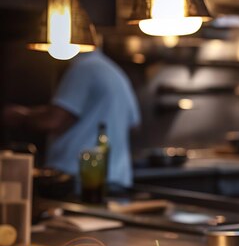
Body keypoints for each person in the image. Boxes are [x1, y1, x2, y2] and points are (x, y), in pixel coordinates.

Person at [3, 45, 141, 189]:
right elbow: (134, 125)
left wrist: (20, 116)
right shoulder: (115, 72)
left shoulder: (84, 69)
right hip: (117, 178)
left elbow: (53, 120)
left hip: (77, 179)